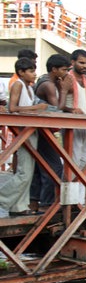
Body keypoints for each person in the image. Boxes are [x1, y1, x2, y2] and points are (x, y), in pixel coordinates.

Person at [0, 58, 48, 217]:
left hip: (29, 130)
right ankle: (3, 197)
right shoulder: (18, 85)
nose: (34, 74)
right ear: (21, 72)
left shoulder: (28, 87)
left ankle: (18, 206)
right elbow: (12, 108)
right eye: (31, 71)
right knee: (24, 172)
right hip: (23, 132)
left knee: (28, 171)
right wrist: (37, 107)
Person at [29, 54, 71, 211]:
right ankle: (47, 204)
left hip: (39, 130)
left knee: (39, 167)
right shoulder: (49, 85)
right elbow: (56, 110)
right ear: (54, 69)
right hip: (43, 131)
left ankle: (34, 203)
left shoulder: (44, 81)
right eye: (64, 70)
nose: (66, 73)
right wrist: (64, 90)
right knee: (54, 167)